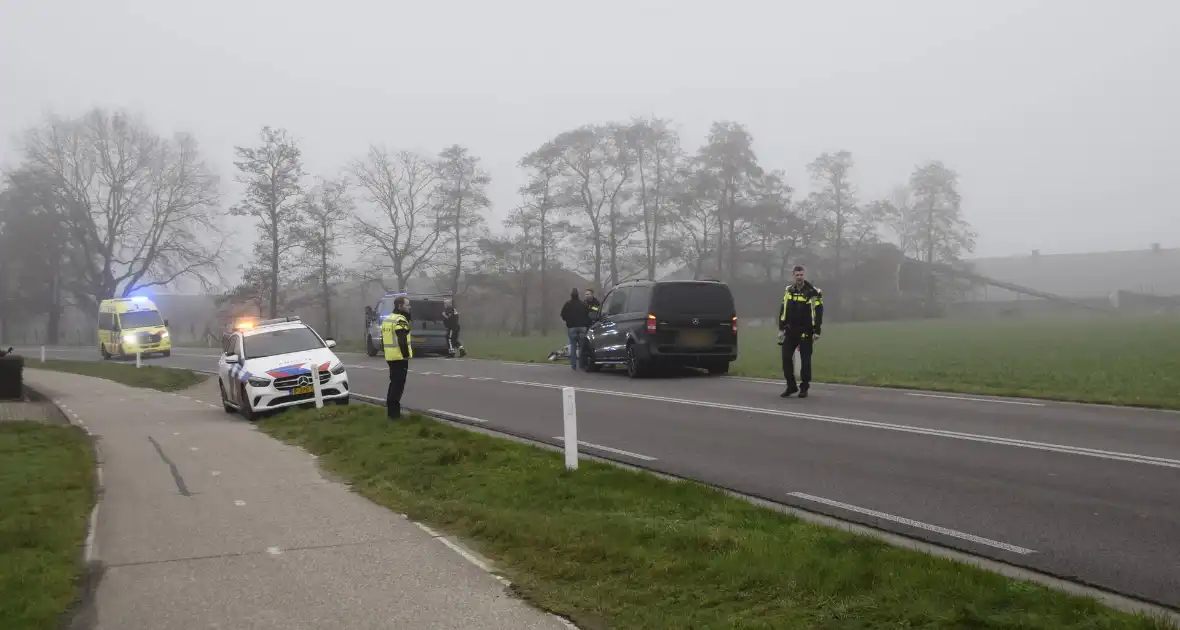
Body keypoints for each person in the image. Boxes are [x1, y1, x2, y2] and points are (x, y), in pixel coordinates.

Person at [778, 265, 824, 398]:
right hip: (790, 331)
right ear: (793, 276)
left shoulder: (814, 292)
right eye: (797, 275)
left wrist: (817, 331)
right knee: (786, 359)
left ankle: (804, 387)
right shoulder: (789, 290)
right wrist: (781, 328)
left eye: (801, 275)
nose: (799, 277)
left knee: (805, 361)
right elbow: (783, 309)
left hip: (806, 331)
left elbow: (819, 312)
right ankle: (791, 386)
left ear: (805, 275)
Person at [381, 296, 413, 418]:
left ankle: (391, 412)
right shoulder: (400, 320)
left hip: (390, 357)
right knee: (398, 386)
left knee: (393, 384)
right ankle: (394, 415)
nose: (409, 307)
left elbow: (384, 339)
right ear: (400, 306)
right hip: (399, 357)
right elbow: (402, 339)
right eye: (407, 305)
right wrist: (405, 355)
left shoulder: (388, 319)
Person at [560, 288, 592, 370]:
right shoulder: (583, 304)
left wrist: (568, 321)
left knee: (573, 347)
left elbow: (562, 314)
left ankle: (573, 365)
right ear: (578, 295)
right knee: (581, 347)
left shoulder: (568, 304)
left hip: (572, 327)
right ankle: (581, 364)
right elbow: (588, 314)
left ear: (571, 295)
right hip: (582, 327)